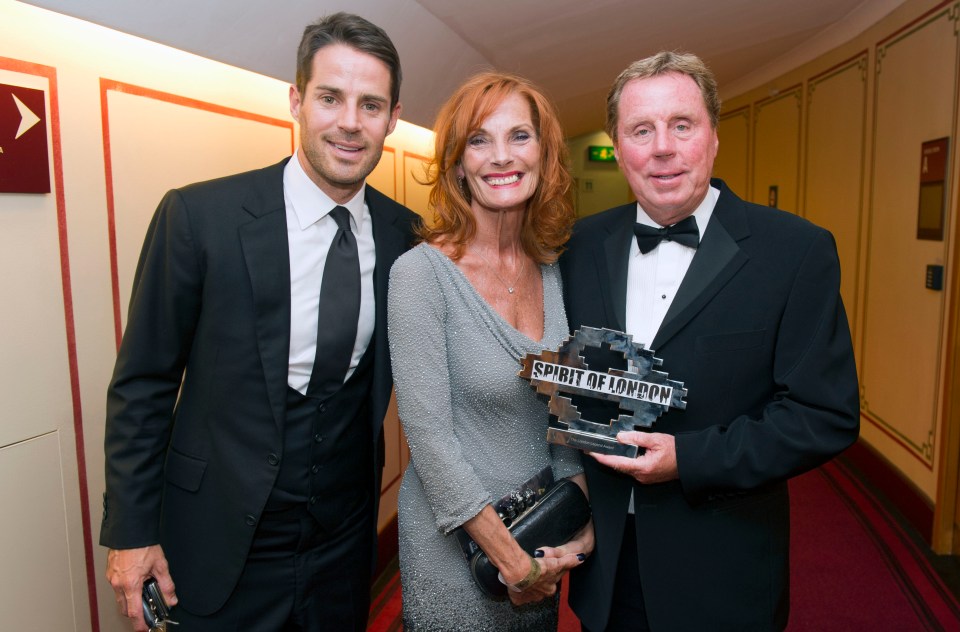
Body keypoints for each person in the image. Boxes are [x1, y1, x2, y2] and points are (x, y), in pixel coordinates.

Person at [99, 12, 419, 631]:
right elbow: (143, 384)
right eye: (330, 98)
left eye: (371, 104)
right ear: (297, 101)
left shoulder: (407, 236)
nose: (350, 122)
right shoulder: (199, 217)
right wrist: (131, 535)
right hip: (217, 545)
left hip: (342, 549)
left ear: (393, 117)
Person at [561, 51, 860, 631]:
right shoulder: (577, 247)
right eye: (641, 131)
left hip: (725, 574)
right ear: (620, 149)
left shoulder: (795, 252)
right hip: (608, 565)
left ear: (713, 138)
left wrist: (690, 460)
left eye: (682, 125)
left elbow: (824, 416)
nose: (662, 148)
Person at [387, 71, 594, 631]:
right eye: (479, 140)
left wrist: (576, 520)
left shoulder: (553, 269)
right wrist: (511, 563)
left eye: (519, 136)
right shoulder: (421, 274)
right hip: (458, 546)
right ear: (457, 164)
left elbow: (562, 414)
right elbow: (429, 441)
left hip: (541, 531)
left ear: (545, 153)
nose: (501, 157)